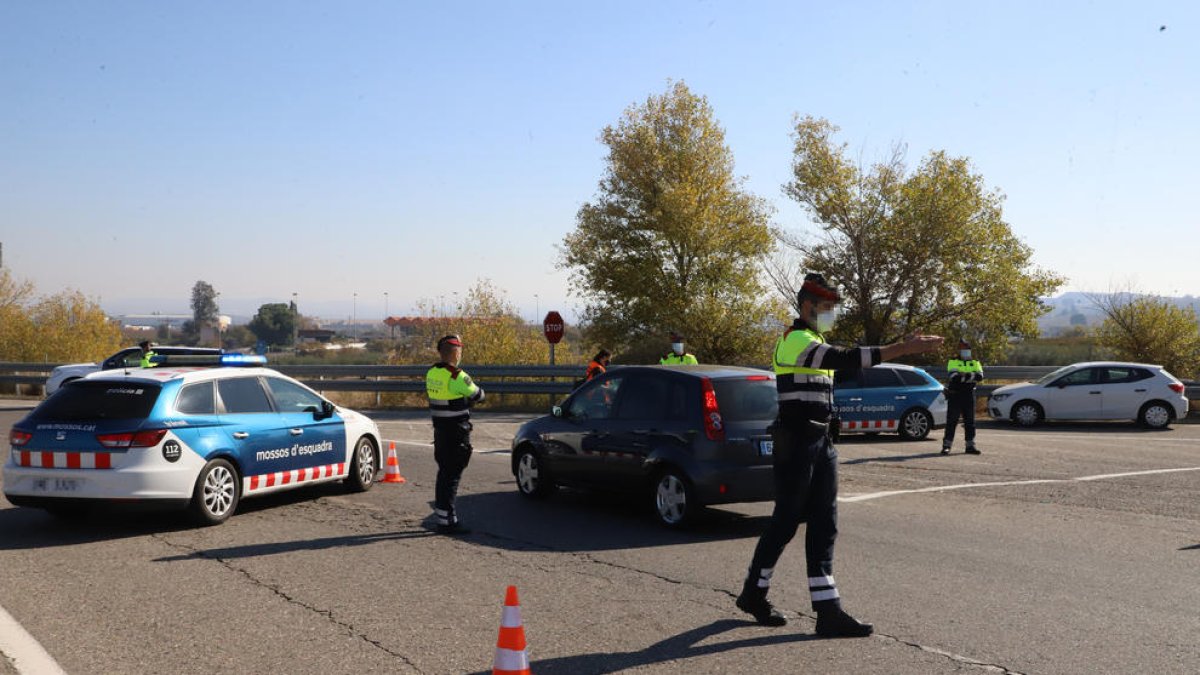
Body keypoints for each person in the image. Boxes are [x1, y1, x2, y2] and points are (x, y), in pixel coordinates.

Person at [736, 273, 943, 637]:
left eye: (833, 308)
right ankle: (754, 592)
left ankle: (827, 611)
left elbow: (840, 366)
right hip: (798, 444)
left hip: (821, 444)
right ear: (806, 307)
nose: (832, 314)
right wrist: (901, 349)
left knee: (825, 524)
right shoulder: (794, 339)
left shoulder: (814, 338)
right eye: (826, 308)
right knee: (785, 522)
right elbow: (846, 358)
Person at [425, 334, 485, 535]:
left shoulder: (432, 373)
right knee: (452, 477)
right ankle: (448, 522)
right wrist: (468, 400)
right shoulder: (457, 376)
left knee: (444, 475)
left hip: (440, 432)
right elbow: (478, 395)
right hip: (456, 433)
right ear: (456, 352)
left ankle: (443, 517)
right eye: (459, 351)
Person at [941, 340, 984, 455]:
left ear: (969, 349)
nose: (963, 350)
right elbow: (954, 377)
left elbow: (980, 377)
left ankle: (970, 446)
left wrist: (964, 376)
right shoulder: (953, 361)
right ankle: (946, 446)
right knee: (952, 421)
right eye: (961, 348)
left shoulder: (975, 362)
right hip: (955, 395)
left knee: (970, 422)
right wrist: (971, 377)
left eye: (965, 347)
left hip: (969, 395)